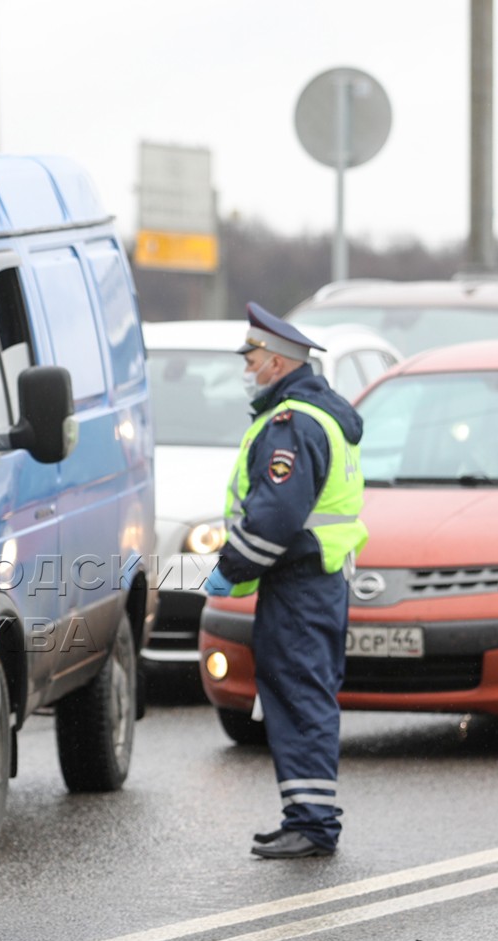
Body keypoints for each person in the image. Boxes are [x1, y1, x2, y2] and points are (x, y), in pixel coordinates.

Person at [204, 303, 368, 859]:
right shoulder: (319, 416)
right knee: (304, 695)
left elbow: (275, 516)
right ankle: (307, 816)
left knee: (299, 698)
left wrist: (230, 569)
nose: (247, 369)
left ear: (276, 361)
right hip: (313, 582)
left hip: (298, 584)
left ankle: (314, 824)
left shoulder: (290, 423)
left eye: (252, 358)